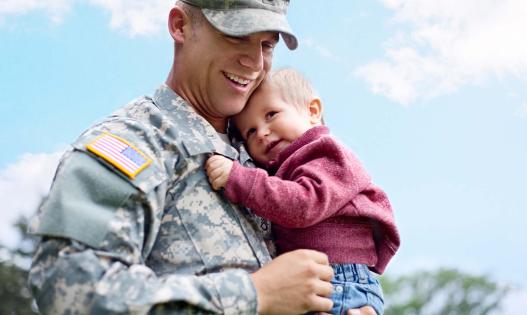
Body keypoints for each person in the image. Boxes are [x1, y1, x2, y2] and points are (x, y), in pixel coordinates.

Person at [27, 1, 342, 314]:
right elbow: (66, 286)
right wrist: (253, 294)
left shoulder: (266, 147)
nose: (255, 62)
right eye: (237, 36)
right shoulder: (132, 141)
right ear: (180, 25)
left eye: (267, 45)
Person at [205, 69, 401, 315]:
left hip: (338, 280)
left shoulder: (325, 153)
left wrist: (239, 179)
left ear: (312, 112)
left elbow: (303, 204)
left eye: (271, 114)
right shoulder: (283, 166)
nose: (262, 132)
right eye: (250, 132)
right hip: (316, 280)